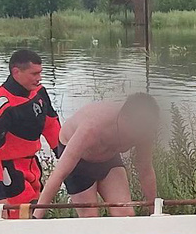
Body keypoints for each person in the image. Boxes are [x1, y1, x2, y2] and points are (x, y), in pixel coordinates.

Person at [33, 93, 161, 217]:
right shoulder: (92, 127)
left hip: (109, 159)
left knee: (125, 214)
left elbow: (145, 170)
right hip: (79, 162)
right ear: (124, 120)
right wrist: (36, 216)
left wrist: (154, 212)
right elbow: (60, 173)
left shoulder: (144, 130)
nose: (137, 137)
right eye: (135, 132)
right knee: (90, 217)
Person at [0, 49, 61, 216]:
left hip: (32, 166)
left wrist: (66, 156)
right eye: (34, 74)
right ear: (16, 72)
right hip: (9, 171)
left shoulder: (39, 92)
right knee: (19, 219)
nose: (39, 78)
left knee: (37, 212)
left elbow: (51, 126)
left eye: (40, 73)